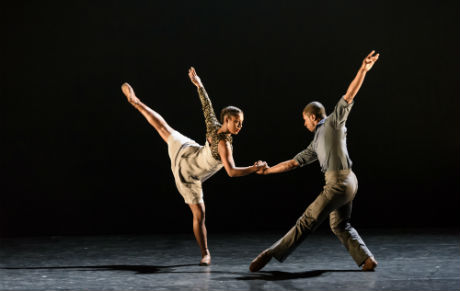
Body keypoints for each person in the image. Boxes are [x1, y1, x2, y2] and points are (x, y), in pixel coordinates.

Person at [249, 51, 380, 272]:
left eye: (304, 120)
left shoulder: (332, 123)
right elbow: (292, 163)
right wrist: (268, 171)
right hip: (349, 181)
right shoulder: (316, 142)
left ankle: (271, 253)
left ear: (312, 117)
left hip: (338, 183)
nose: (304, 125)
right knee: (339, 224)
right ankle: (367, 259)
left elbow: (349, 95)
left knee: (307, 220)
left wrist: (362, 70)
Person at [121, 67, 267, 266]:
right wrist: (254, 168)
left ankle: (137, 103)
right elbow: (231, 172)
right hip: (189, 174)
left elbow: (206, 105)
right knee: (200, 215)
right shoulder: (224, 144)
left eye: (241, 123)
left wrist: (199, 84)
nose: (240, 126)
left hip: (189, 151)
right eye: (237, 122)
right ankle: (205, 253)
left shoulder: (214, 124)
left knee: (163, 128)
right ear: (227, 120)